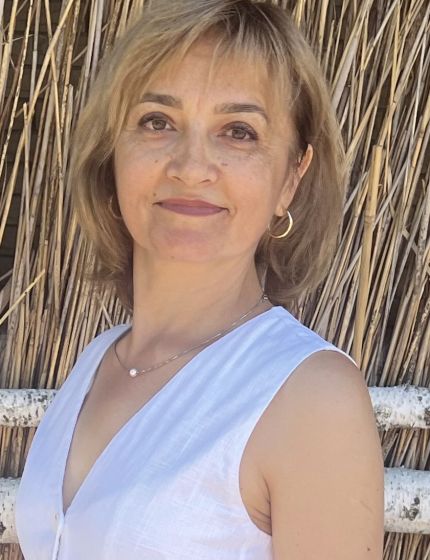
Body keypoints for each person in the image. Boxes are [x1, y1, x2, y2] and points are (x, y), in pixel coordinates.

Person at [14, 0, 385, 558]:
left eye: (238, 132)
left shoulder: (311, 400)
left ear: (291, 178)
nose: (190, 167)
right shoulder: (96, 361)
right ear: (113, 152)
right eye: (157, 122)